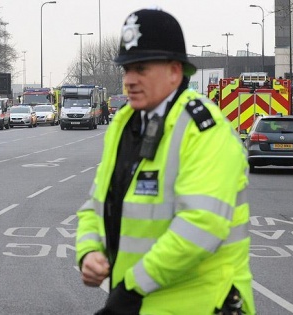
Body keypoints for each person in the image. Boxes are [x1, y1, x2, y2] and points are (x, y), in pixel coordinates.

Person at [75, 8, 255, 315]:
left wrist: (132, 288)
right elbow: (98, 202)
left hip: (200, 305)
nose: (129, 80)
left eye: (141, 69)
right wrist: (88, 250)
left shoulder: (205, 130)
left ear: (174, 71)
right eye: (126, 69)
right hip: (138, 302)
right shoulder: (123, 123)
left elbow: (201, 226)